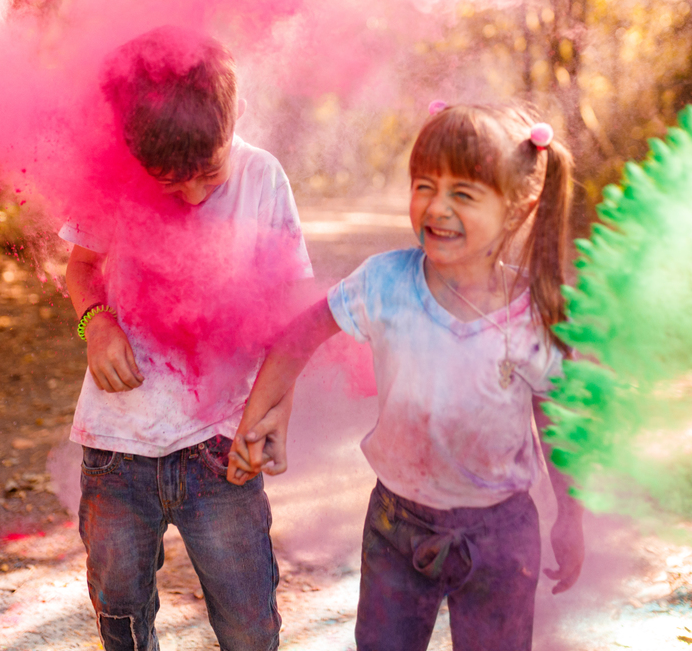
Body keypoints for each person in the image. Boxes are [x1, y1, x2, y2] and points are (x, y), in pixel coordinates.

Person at [228, 101, 585, 651]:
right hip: (396, 527)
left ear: (518, 207)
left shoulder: (533, 312)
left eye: (463, 194)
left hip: (501, 537)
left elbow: (556, 420)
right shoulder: (384, 284)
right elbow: (302, 334)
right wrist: (258, 418)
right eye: (424, 185)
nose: (436, 207)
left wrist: (571, 514)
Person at [62, 25, 311, 651]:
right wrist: (97, 323)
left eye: (208, 172)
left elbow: (293, 318)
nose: (194, 194)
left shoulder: (262, 179)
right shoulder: (112, 181)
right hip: (118, 451)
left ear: (237, 117)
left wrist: (272, 414)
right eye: (170, 182)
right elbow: (81, 267)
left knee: (249, 625)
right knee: (119, 616)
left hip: (222, 451)